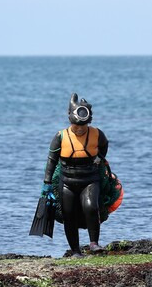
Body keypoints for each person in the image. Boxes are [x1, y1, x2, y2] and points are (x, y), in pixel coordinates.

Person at [41, 93, 109, 257]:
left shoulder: (97, 134)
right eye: (76, 125)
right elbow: (51, 160)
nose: (79, 129)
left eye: (82, 126)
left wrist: (99, 159)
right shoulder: (60, 136)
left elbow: (104, 146)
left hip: (90, 179)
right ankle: (75, 250)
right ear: (70, 120)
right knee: (68, 215)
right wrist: (47, 183)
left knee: (91, 207)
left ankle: (94, 243)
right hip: (67, 181)